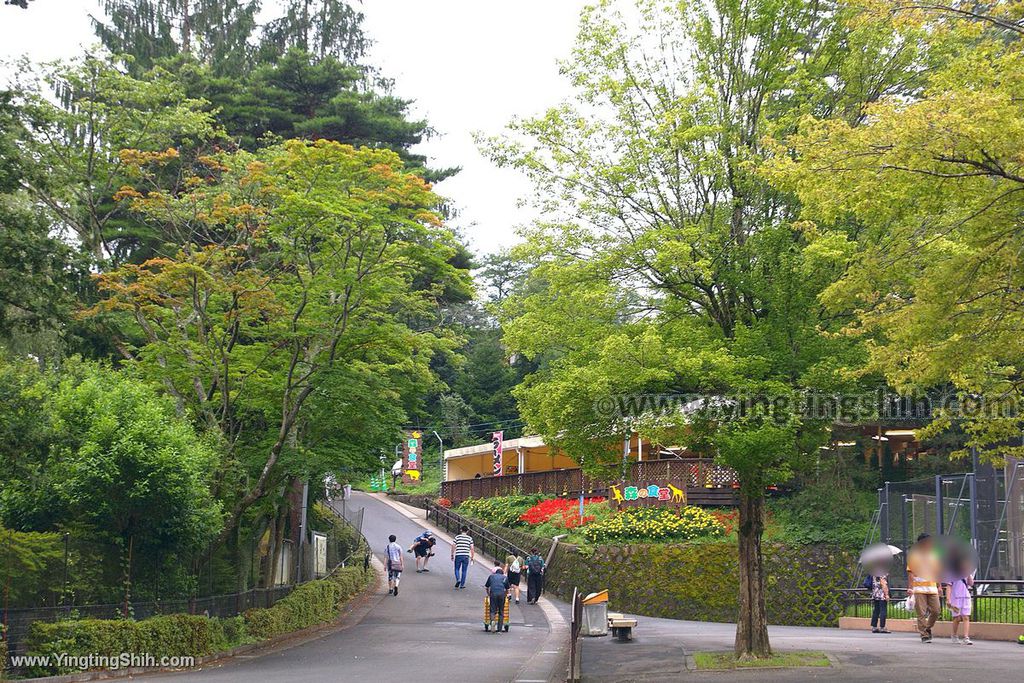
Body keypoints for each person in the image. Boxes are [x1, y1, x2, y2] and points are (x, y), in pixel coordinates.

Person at [907, 533, 941, 642]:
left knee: (936, 611)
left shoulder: (934, 555)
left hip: (932, 587)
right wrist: (910, 588)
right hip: (919, 588)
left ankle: (928, 627)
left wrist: (939, 586)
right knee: (921, 613)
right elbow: (911, 573)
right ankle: (924, 635)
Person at [947, 559, 975, 645]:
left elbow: (971, 583)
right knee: (957, 618)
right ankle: (954, 635)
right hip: (956, 598)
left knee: (966, 617)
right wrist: (948, 599)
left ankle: (966, 637)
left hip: (965, 597)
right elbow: (949, 586)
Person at [484, 561, 510, 633]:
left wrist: (489, 594)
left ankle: (492, 621)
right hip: (502, 594)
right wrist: (506, 595)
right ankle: (499, 629)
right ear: (502, 573)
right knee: (501, 611)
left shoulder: (491, 576)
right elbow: (508, 589)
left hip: (493, 594)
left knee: (492, 610)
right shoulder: (505, 578)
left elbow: (486, 587)